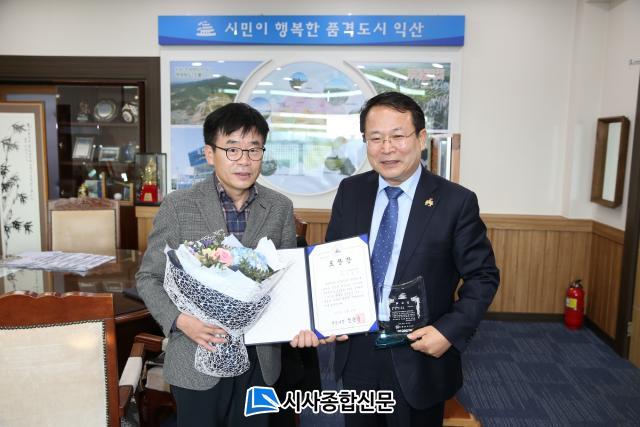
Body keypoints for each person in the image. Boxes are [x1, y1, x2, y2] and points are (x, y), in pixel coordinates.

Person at [293, 91, 500, 426]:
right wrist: (325, 316)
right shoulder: (351, 191)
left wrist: (448, 332)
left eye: (397, 136)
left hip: (419, 350)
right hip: (357, 347)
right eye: (375, 138)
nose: (386, 148)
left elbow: (483, 276)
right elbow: (332, 260)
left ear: (420, 138)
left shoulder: (455, 201)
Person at [136, 102, 297, 427]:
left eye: (254, 150)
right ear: (210, 153)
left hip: (259, 358)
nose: (244, 160)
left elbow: (287, 282)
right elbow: (149, 277)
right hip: (196, 352)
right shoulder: (179, 206)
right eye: (232, 149)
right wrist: (180, 321)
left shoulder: (279, 207)